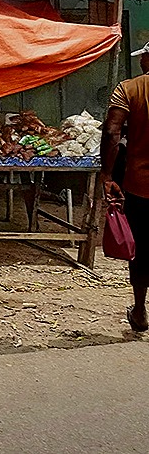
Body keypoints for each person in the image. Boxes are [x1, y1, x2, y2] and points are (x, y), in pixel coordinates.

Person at [102, 41, 149, 332]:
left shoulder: (130, 89)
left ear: (147, 60)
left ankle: (141, 311)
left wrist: (107, 175)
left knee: (142, 248)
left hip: (139, 184)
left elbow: (111, 131)